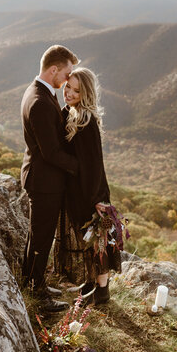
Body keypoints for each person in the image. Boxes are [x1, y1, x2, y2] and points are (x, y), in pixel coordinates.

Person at [53, 67, 121, 305]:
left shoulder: (87, 121)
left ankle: (102, 293)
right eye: (67, 87)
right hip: (77, 192)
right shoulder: (69, 113)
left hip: (92, 194)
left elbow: (93, 166)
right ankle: (92, 286)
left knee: (98, 241)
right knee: (88, 241)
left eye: (76, 90)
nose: (69, 93)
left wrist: (97, 200)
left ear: (86, 93)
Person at [21, 45, 79, 312]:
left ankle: (31, 281)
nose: (68, 79)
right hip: (44, 182)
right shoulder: (41, 102)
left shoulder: (41, 92)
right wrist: (80, 166)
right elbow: (51, 152)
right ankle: (37, 294)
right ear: (53, 69)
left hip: (42, 178)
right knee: (42, 238)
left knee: (38, 236)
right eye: (66, 73)